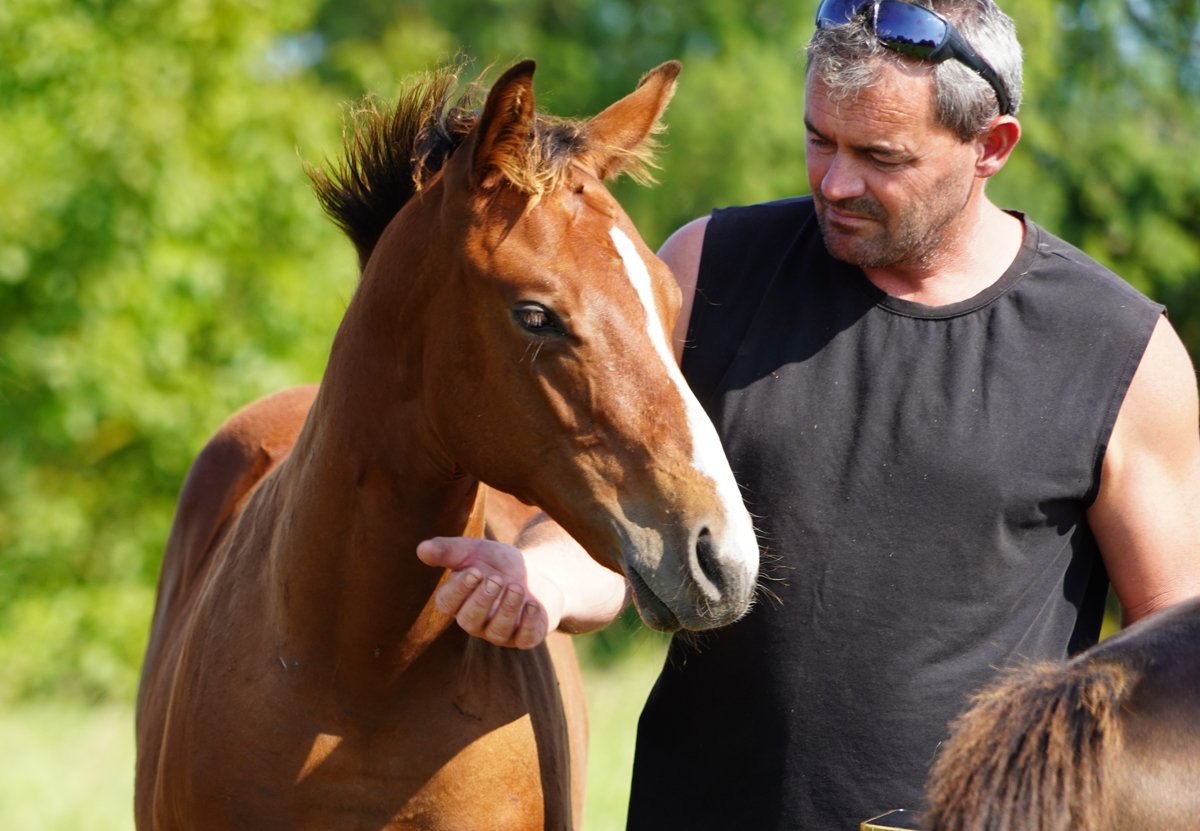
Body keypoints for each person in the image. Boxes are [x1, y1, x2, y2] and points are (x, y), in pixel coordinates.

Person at [417, 0, 1200, 826]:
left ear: (991, 146)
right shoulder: (709, 269)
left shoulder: (1119, 349)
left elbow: (1175, 649)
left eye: (880, 156)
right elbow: (627, 520)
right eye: (820, 139)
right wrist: (539, 577)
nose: (834, 182)